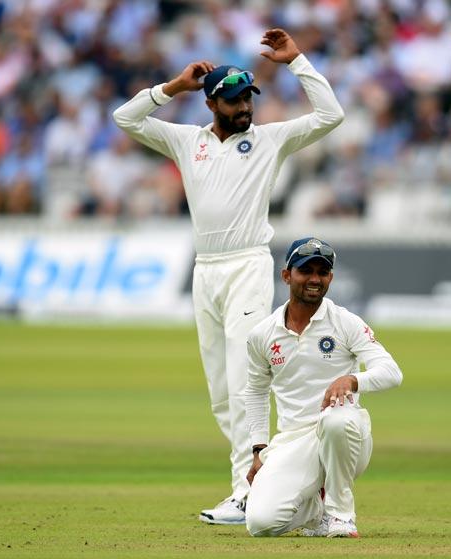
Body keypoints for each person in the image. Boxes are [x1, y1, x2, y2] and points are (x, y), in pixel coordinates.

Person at [112, 28, 345, 524]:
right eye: (235, 101)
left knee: (244, 381)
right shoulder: (185, 141)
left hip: (248, 264)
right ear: (212, 103)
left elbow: (331, 115)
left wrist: (298, 61)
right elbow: (124, 118)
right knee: (221, 388)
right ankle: (262, 480)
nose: (245, 108)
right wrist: (173, 86)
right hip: (206, 271)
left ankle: (246, 491)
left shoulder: (268, 140)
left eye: (248, 99)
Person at [244, 238, 403, 537]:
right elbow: (255, 391)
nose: (315, 279)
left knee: (335, 419)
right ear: (287, 275)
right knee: (261, 524)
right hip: (293, 441)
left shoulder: (345, 322)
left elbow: (392, 372)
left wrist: (354, 380)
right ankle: (315, 511)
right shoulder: (262, 334)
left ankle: (340, 516)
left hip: (346, 436)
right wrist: (259, 448)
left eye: (323, 272)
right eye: (306, 271)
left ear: (330, 277)